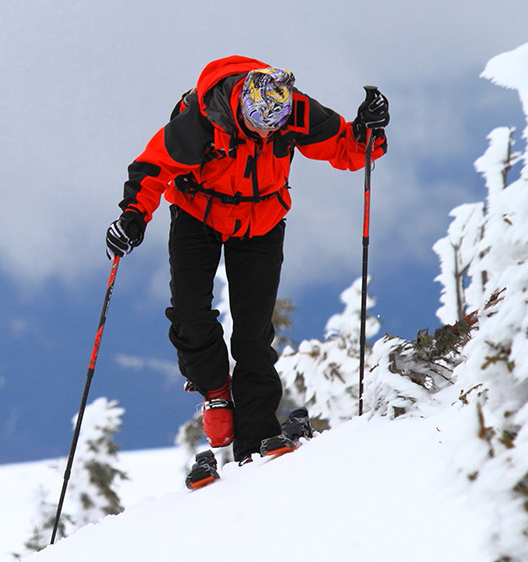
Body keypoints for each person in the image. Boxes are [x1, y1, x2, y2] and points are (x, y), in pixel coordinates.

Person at [104, 55, 389, 486]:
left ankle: (256, 440)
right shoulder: (203, 117)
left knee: (253, 333)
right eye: (256, 121)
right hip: (197, 214)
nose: (263, 130)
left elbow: (347, 149)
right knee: (189, 317)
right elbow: (152, 167)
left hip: (262, 222)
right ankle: (217, 396)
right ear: (241, 105)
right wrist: (133, 216)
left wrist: (369, 131)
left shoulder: (293, 111)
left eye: (272, 125)